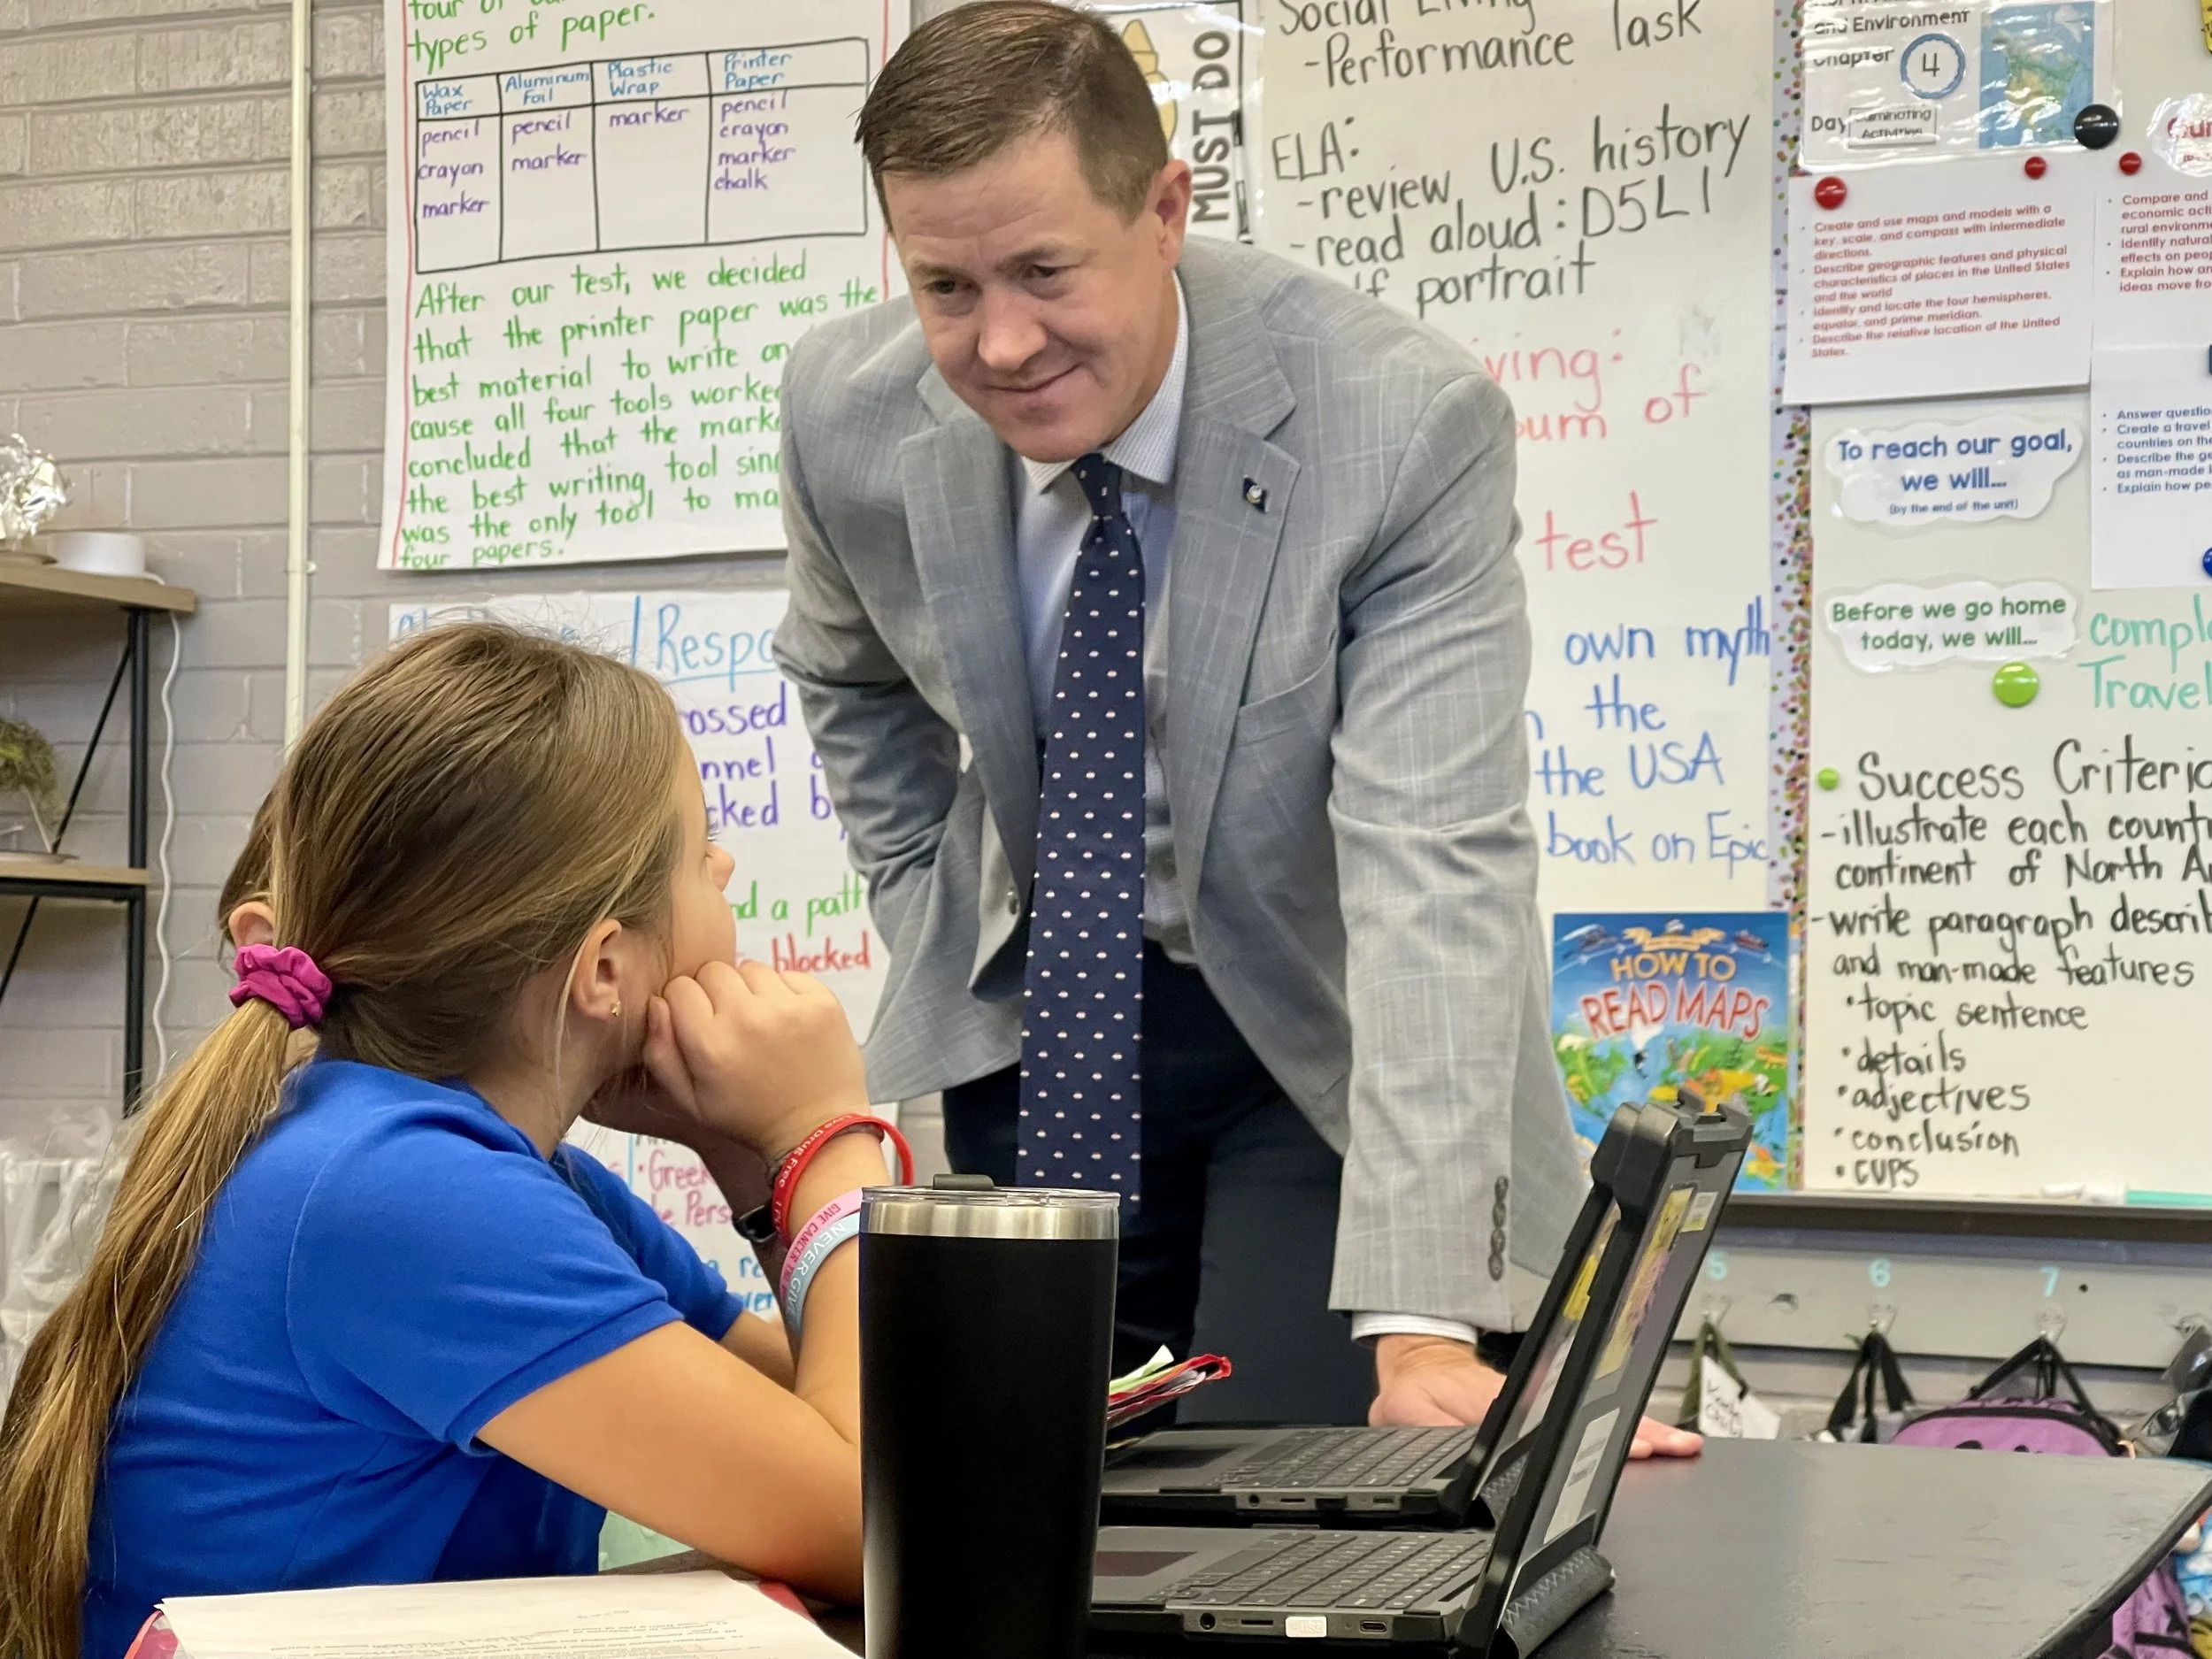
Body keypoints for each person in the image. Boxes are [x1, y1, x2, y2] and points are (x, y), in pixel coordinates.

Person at [774, 0, 1702, 1446]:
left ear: (1163, 211)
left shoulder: (1396, 427)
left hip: (1314, 1025)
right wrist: (923, 899)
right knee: (1047, 1489)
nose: (1000, 342)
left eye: (1042, 270)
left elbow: (1436, 860)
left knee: (1298, 1488)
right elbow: (842, 672)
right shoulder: (845, 410)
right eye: (943, 284)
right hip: (1051, 1014)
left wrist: (1423, 1331)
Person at [0, 625, 884, 1659]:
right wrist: (823, 1137)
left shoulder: (508, 1179)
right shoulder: (408, 1193)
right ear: (604, 969)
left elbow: (849, 1425)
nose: (725, 862)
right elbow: (883, 1525)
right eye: (699, 851)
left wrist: (753, 1167)